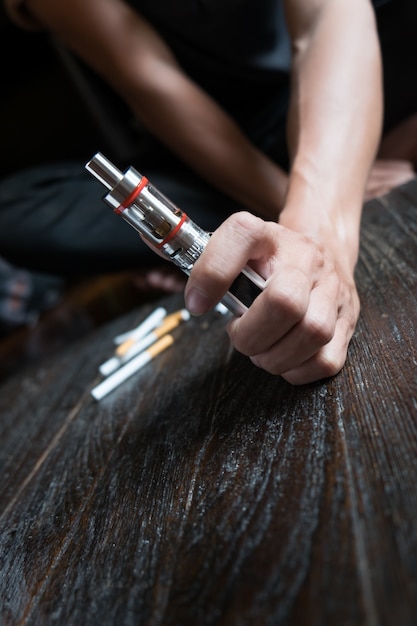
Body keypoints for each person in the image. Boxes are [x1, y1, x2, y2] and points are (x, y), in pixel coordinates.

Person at [1, 0, 417, 384]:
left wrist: (318, 229)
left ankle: (312, 184)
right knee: (17, 211)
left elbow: (327, 17)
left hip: (324, 89)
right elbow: (150, 79)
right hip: (215, 142)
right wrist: (285, 203)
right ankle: (353, 166)